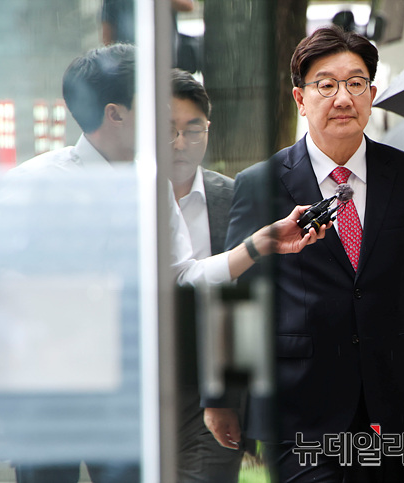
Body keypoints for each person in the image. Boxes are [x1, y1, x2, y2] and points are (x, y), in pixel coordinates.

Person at [0, 43, 325, 483]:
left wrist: (257, 245)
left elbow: (183, 274)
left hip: (126, 395)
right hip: (47, 393)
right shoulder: (36, 182)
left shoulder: (151, 185)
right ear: (115, 114)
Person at [203, 25, 404, 482]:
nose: (343, 98)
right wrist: (221, 396)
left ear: (372, 94)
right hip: (296, 402)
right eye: (326, 85)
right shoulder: (261, 184)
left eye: (356, 83)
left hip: (384, 399)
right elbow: (235, 296)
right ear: (300, 98)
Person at [168, 68, 248, 483]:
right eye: (168, 130)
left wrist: (229, 394)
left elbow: (244, 302)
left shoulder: (233, 197)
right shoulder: (125, 198)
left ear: (208, 130)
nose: (180, 143)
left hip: (208, 393)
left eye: (192, 129)